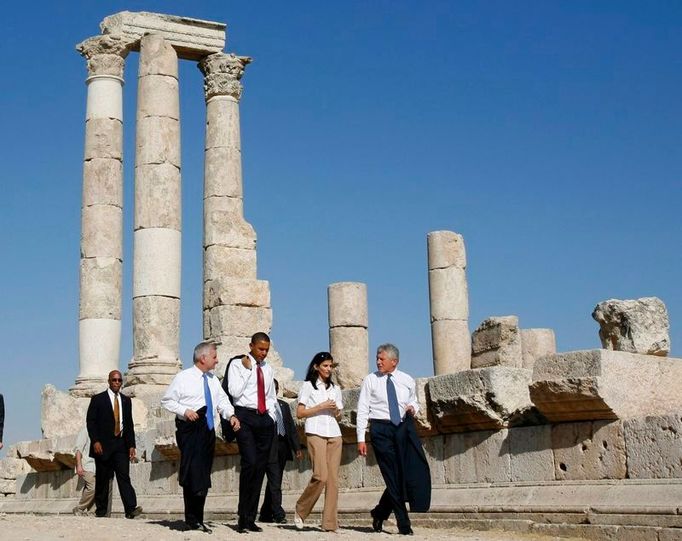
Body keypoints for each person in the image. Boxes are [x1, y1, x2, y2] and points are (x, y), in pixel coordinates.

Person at [161, 341, 241, 533]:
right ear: (203, 357)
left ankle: (198, 517)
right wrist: (184, 410)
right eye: (214, 356)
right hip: (190, 429)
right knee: (192, 472)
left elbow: (222, 401)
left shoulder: (212, 380)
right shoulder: (183, 377)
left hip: (208, 430)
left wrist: (231, 415)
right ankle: (192, 518)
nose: (217, 360)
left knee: (203, 474)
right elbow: (167, 401)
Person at [356, 344, 431, 536]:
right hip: (380, 429)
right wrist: (360, 438)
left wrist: (413, 408)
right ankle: (404, 524)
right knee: (392, 476)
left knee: (408, 473)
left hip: (403, 427)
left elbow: (414, 401)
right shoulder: (370, 380)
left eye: (382, 359)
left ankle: (380, 512)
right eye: (377, 358)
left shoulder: (406, 379)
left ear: (394, 361)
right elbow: (363, 409)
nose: (378, 362)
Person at [228, 332, 277, 533]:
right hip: (244, 416)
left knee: (260, 467)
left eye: (266, 349)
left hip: (264, 418)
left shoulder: (269, 369)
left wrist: (271, 417)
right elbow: (235, 392)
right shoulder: (237, 365)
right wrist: (249, 371)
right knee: (250, 462)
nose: (264, 353)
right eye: (260, 349)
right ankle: (242, 515)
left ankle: (251, 517)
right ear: (251, 346)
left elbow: (271, 395)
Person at [294, 352, 344, 532]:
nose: (329, 369)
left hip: (334, 434)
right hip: (315, 431)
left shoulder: (335, 389)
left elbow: (339, 415)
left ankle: (330, 523)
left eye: (331, 366)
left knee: (333, 480)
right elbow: (300, 413)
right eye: (325, 366)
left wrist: (336, 410)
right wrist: (321, 407)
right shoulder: (308, 386)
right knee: (321, 475)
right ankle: (301, 509)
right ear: (316, 367)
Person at [86, 370, 142, 519]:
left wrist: (131, 445)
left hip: (121, 445)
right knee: (103, 479)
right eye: (114, 380)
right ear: (109, 381)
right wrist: (95, 441)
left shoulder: (126, 400)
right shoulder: (98, 399)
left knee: (124, 476)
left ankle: (131, 509)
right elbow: (91, 422)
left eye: (119, 380)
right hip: (103, 445)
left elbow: (129, 424)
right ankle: (102, 511)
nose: (117, 382)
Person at [258, 379, 302, 524]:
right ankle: (278, 513)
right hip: (269, 447)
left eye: (275, 388)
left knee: (274, 481)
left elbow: (290, 427)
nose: (274, 390)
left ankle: (265, 513)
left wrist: (297, 448)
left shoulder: (284, 405)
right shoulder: (261, 406)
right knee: (275, 482)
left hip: (282, 448)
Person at [73, 426, 97, 516]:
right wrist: (79, 465)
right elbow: (78, 449)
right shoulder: (85, 430)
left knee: (94, 488)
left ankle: (91, 511)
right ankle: (79, 508)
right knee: (92, 487)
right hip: (86, 465)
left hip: (97, 466)